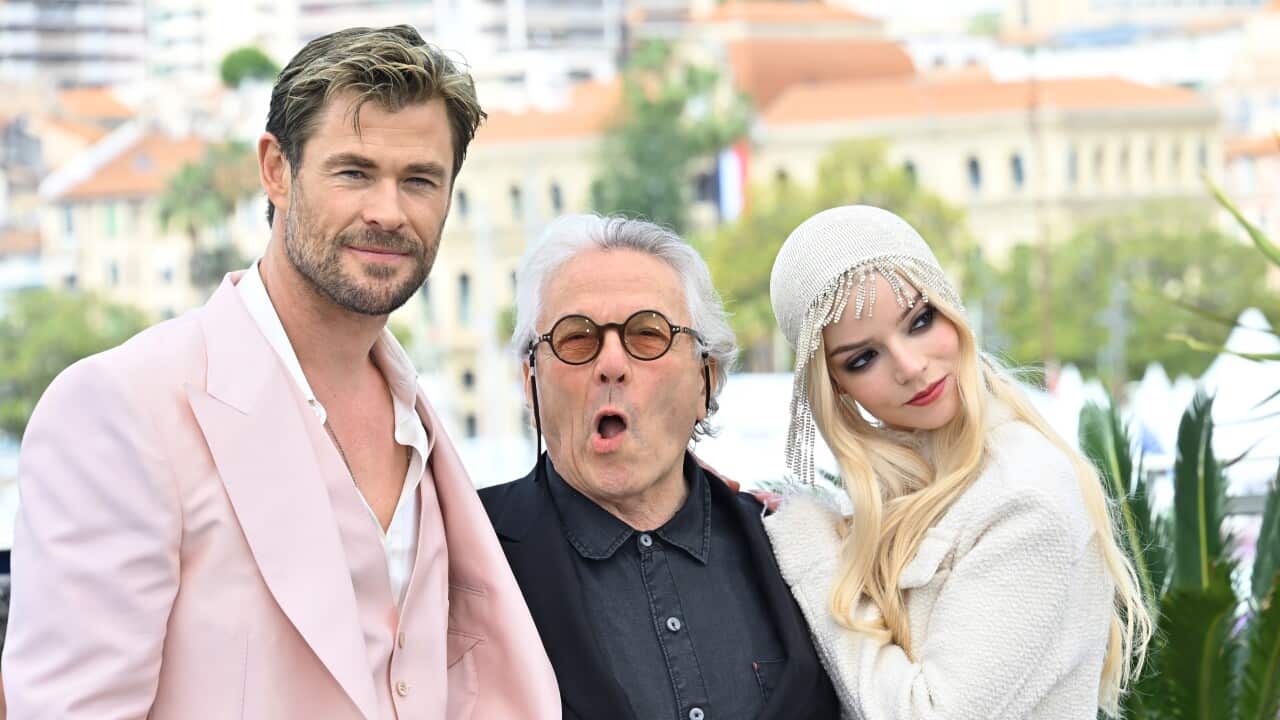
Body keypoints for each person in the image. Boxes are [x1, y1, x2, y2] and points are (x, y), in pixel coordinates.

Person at [3, 25, 559, 719]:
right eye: (353, 172)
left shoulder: (419, 420)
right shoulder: (120, 409)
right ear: (276, 170)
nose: (388, 212)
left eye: (419, 180)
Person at [762, 205, 1152, 719]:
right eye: (863, 358)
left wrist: (810, 550)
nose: (910, 366)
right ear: (835, 387)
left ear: (951, 307)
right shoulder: (909, 487)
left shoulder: (1026, 493)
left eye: (920, 321)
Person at [479, 214, 840, 720]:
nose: (611, 364)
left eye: (648, 335)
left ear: (705, 380)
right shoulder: (461, 550)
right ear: (530, 381)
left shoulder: (799, 547)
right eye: (576, 338)